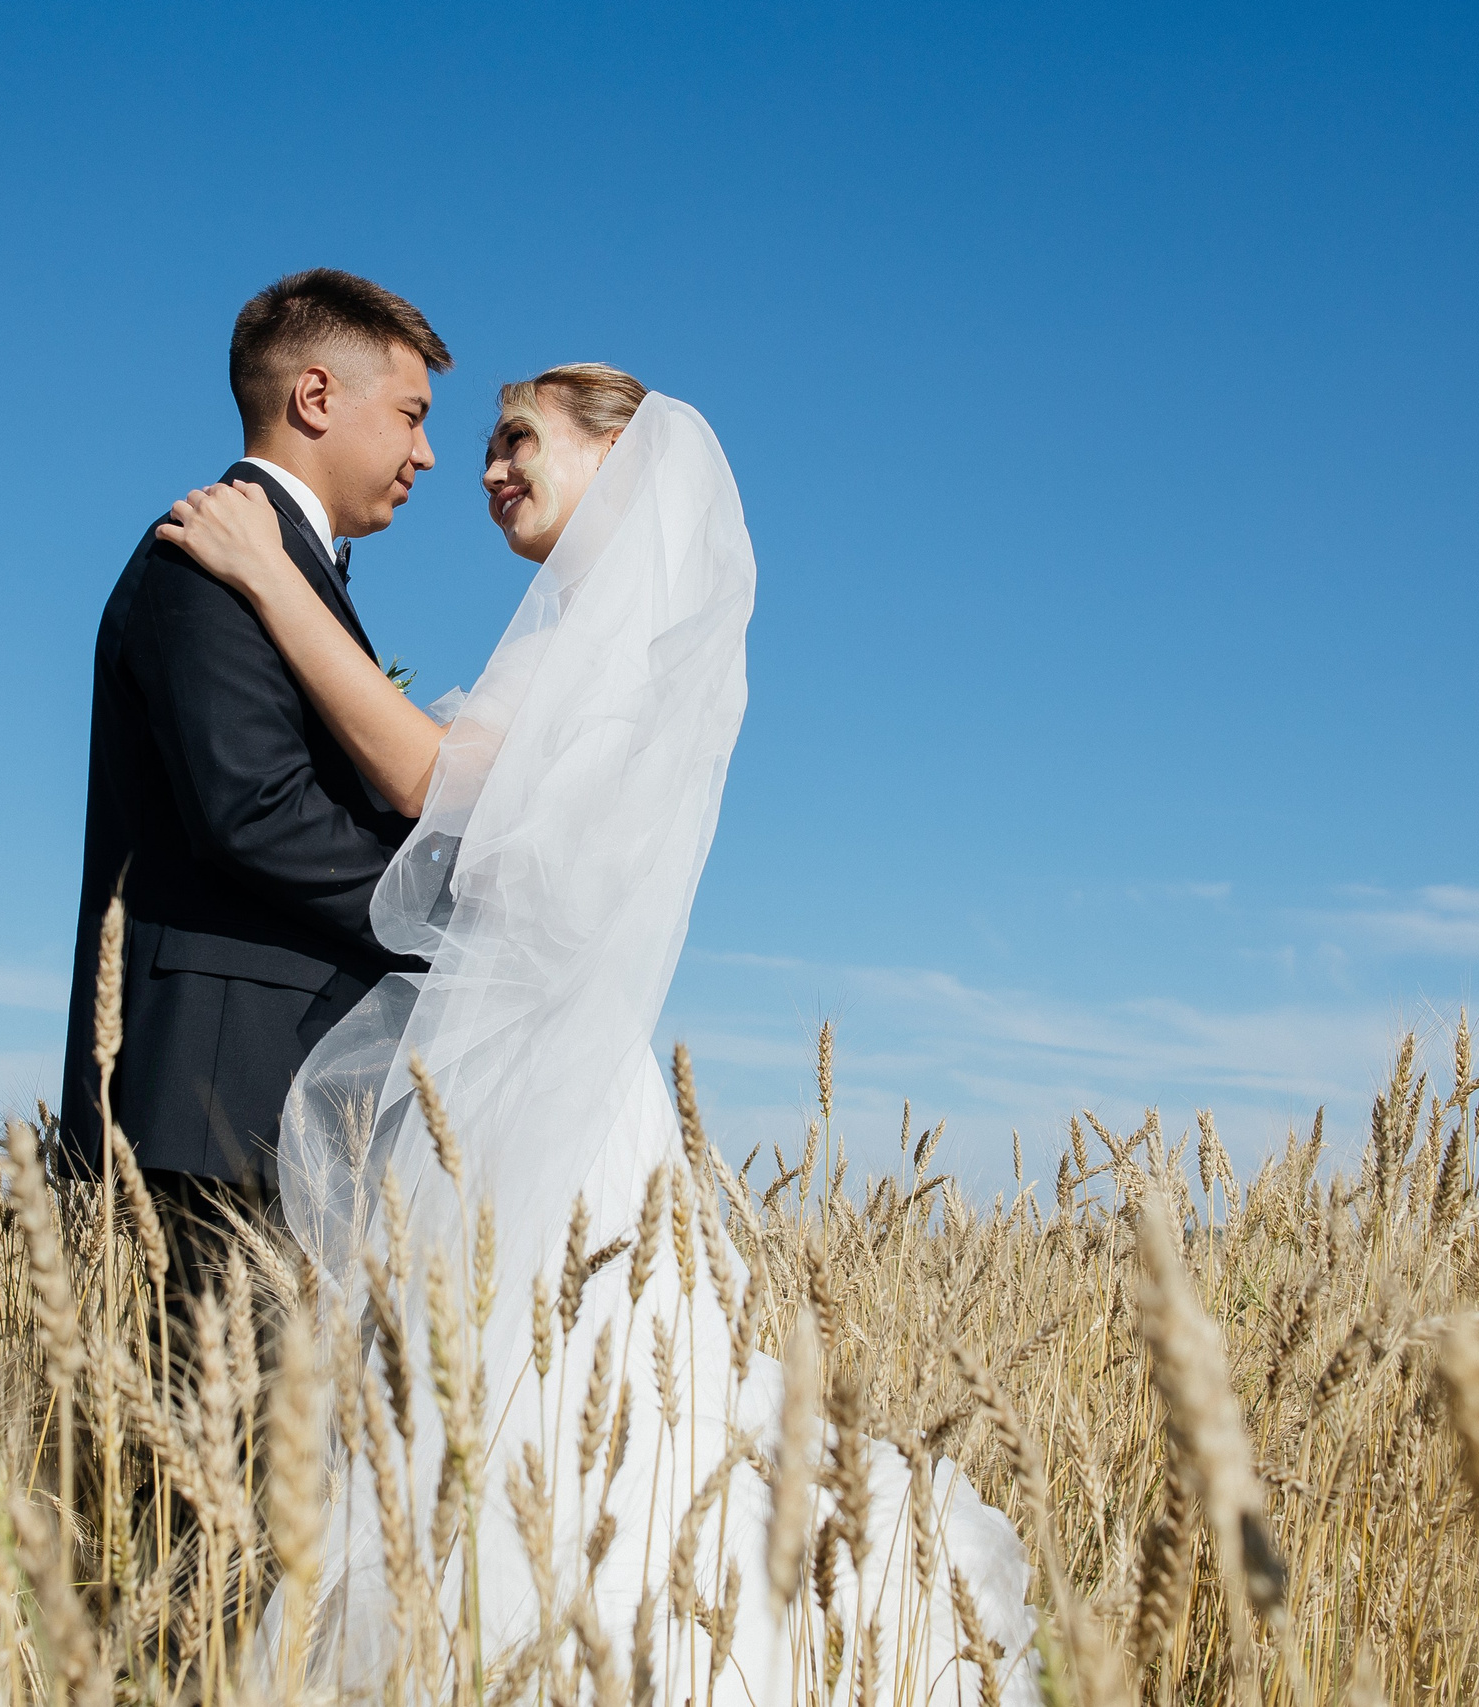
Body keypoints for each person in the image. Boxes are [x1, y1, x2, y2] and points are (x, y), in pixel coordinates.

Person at [156, 366, 1042, 1705]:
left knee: (535, 1410)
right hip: (513, 1069)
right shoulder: (597, 635)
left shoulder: (616, 653)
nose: (486, 465)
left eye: (520, 439)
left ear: (619, 466)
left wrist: (273, 586)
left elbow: (428, 777)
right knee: (480, 1407)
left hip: (538, 1090)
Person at [60, 268, 449, 1296]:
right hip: (216, 1099)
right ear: (316, 397)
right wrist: (441, 928)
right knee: (209, 1448)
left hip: (265, 1094)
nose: (426, 453)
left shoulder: (274, 566)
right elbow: (254, 811)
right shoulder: (210, 553)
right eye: (410, 415)